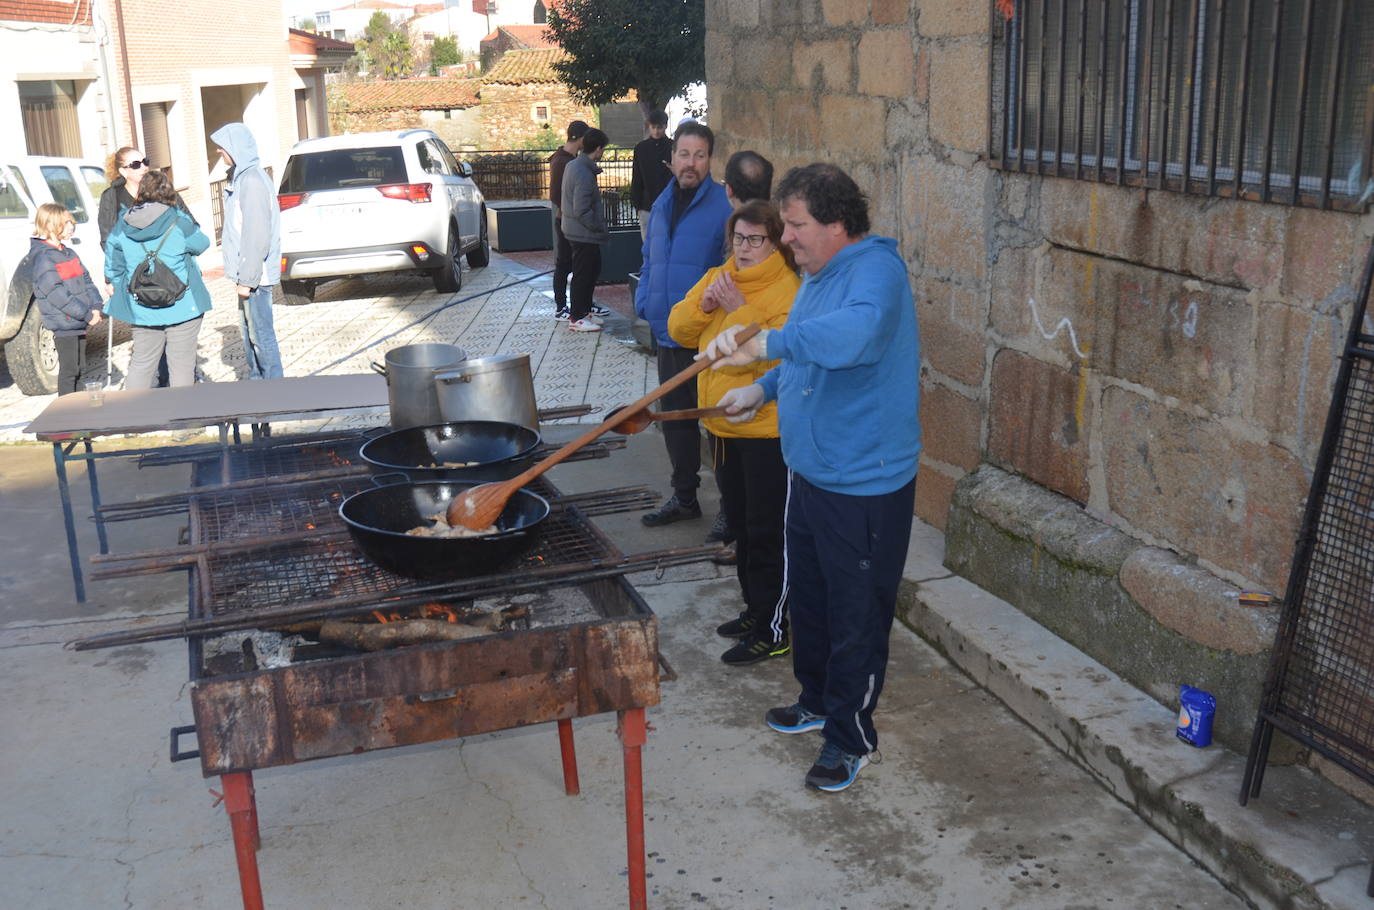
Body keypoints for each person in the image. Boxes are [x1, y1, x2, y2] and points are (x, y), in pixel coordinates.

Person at [703, 163, 921, 793]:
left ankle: (850, 737)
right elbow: (810, 354)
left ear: (836, 223)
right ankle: (818, 698)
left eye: (796, 226)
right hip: (810, 470)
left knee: (857, 614)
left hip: (864, 483)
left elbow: (850, 338)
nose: (786, 238)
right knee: (812, 601)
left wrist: (767, 346)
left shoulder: (876, 272)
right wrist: (760, 389)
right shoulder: (817, 275)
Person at [667, 199, 799, 665]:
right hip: (722, 427)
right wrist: (704, 305)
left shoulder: (788, 291)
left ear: (776, 242)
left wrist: (741, 310)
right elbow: (678, 330)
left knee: (767, 531)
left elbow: (781, 362)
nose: (743, 249)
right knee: (740, 526)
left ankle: (774, 626)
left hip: (766, 432)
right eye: (738, 238)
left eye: (755, 240)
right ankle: (754, 609)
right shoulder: (720, 277)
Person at [634, 121, 733, 528]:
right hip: (670, 332)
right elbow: (650, 258)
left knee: (720, 423)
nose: (690, 163)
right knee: (676, 419)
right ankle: (684, 497)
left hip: (710, 336)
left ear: (710, 160)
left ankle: (731, 510)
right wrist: (645, 300)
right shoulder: (661, 203)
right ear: (672, 158)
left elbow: (734, 270)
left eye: (699, 155)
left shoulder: (724, 207)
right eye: (684, 154)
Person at [103, 169, 212, 389]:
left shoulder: (123, 225)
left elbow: (113, 264)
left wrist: (117, 282)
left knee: (141, 364)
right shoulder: (178, 222)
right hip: (183, 304)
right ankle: (185, 421)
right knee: (181, 366)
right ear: (169, 193)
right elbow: (202, 244)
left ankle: (137, 418)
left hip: (142, 307)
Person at [210, 122, 283, 380]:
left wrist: (247, 280)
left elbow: (256, 234)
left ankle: (274, 396)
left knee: (261, 337)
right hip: (250, 276)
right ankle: (259, 393)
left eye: (222, 148)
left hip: (256, 279)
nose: (219, 153)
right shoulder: (243, 178)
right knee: (252, 338)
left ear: (235, 147)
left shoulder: (251, 181)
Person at [30, 203, 104, 394]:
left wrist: (96, 305)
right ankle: (66, 414)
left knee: (80, 370)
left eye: (71, 221)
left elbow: (86, 280)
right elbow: (57, 295)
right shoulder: (43, 258)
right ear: (49, 225)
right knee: (69, 372)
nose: (71, 226)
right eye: (66, 222)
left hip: (78, 323)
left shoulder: (69, 253)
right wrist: (86, 314)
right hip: (66, 324)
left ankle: (79, 411)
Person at [560, 128, 610, 333]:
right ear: (598, 149)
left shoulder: (575, 165)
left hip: (577, 230)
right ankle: (577, 317)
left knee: (591, 271)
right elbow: (581, 208)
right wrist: (598, 226)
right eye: (603, 149)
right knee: (583, 274)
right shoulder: (582, 171)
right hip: (583, 232)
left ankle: (585, 310)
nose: (603, 153)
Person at [548, 120, 588, 321]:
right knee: (563, 263)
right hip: (565, 220)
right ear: (580, 138)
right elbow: (555, 194)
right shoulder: (561, 161)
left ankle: (580, 304)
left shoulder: (571, 159)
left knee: (578, 264)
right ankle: (560, 306)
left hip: (573, 220)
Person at [630, 110, 673, 240]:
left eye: (659, 127)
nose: (656, 131)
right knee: (648, 248)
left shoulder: (673, 147)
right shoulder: (641, 148)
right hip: (646, 205)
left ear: (665, 126)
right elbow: (637, 177)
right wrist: (637, 205)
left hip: (669, 205)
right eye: (653, 127)